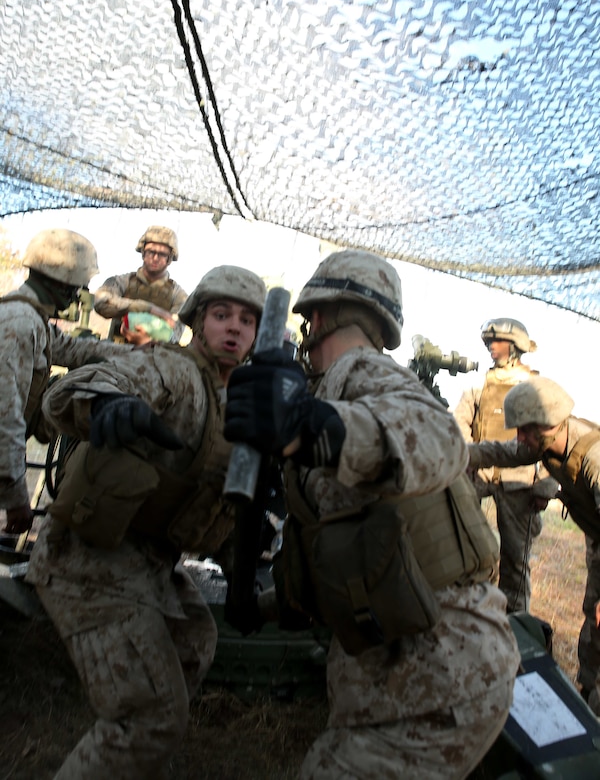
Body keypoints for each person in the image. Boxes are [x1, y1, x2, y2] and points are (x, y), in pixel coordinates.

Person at [224, 249, 521, 780]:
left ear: (318, 317)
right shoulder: (342, 386)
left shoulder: (356, 372)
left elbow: (439, 439)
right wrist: (262, 608)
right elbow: (348, 560)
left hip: (433, 678)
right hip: (429, 674)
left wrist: (311, 427)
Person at [25, 264, 265, 778]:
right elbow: (73, 391)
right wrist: (105, 404)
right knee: (149, 717)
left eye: (247, 320)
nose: (234, 327)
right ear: (197, 323)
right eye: (221, 314)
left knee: (194, 644)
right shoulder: (172, 370)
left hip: (150, 560)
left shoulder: (234, 402)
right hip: (88, 556)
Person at [468, 376, 600, 716]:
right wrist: (461, 453)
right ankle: (588, 694)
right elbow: (503, 452)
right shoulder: (546, 442)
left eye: (525, 430)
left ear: (550, 424)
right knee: (593, 616)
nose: (520, 438)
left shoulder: (594, 459)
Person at [0, 228, 118, 536]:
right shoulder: (20, 323)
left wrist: (136, 354)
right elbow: (4, 414)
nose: (79, 293)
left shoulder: (32, 318)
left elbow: (72, 348)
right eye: (79, 285)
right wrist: (15, 498)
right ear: (64, 282)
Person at [453, 318, 557, 612]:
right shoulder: (479, 383)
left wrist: (546, 484)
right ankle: (464, 608)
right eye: (488, 342)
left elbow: (550, 435)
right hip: (479, 475)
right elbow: (460, 420)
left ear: (515, 347)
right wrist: (466, 457)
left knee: (515, 558)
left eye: (496, 341)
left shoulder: (536, 386)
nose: (490, 347)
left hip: (520, 482)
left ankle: (516, 621)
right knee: (459, 539)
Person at [93, 224, 188, 342]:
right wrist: (146, 308)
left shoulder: (178, 295)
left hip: (154, 357)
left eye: (162, 254)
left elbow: (174, 335)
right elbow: (100, 303)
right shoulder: (122, 281)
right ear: (143, 253)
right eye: (151, 252)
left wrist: (147, 341)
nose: (155, 258)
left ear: (169, 259)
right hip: (117, 353)